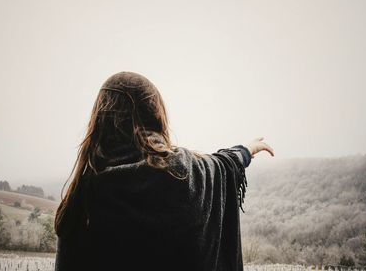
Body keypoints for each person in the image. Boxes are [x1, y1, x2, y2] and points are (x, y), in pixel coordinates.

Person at [54, 71, 274, 271]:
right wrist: (245, 151)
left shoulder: (82, 195)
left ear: (100, 120)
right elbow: (222, 165)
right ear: (155, 114)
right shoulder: (183, 172)